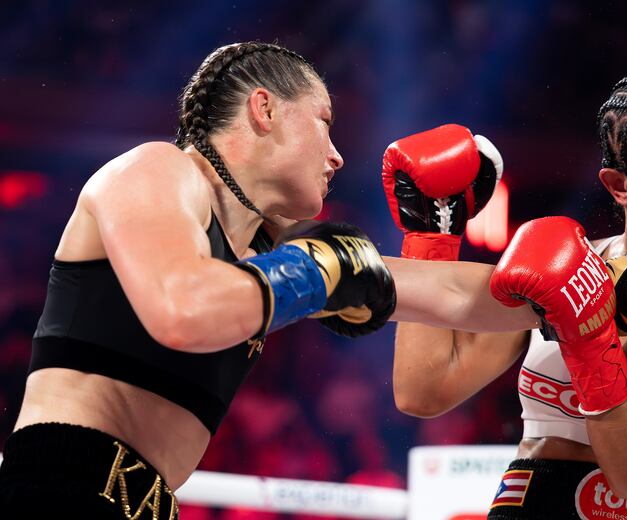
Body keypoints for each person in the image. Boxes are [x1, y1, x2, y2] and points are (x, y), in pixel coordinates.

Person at [0, 41, 396, 518]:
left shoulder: (264, 249)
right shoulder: (157, 168)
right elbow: (181, 308)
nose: (337, 156)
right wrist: (314, 272)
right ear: (264, 108)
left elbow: (435, 291)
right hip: (60, 486)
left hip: (152, 505)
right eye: (325, 122)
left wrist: (437, 231)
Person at [383, 69, 627, 519]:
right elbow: (424, 390)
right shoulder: (561, 265)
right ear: (620, 186)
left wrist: (588, 334)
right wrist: (431, 235)